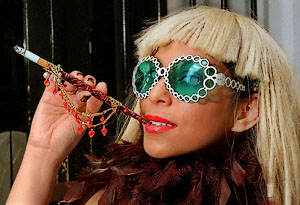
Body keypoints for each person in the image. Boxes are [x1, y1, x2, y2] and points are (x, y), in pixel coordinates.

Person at [7, 6, 300, 204]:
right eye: (149, 74)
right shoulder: (107, 194)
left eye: (187, 78)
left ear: (245, 111)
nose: (156, 94)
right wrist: (42, 152)